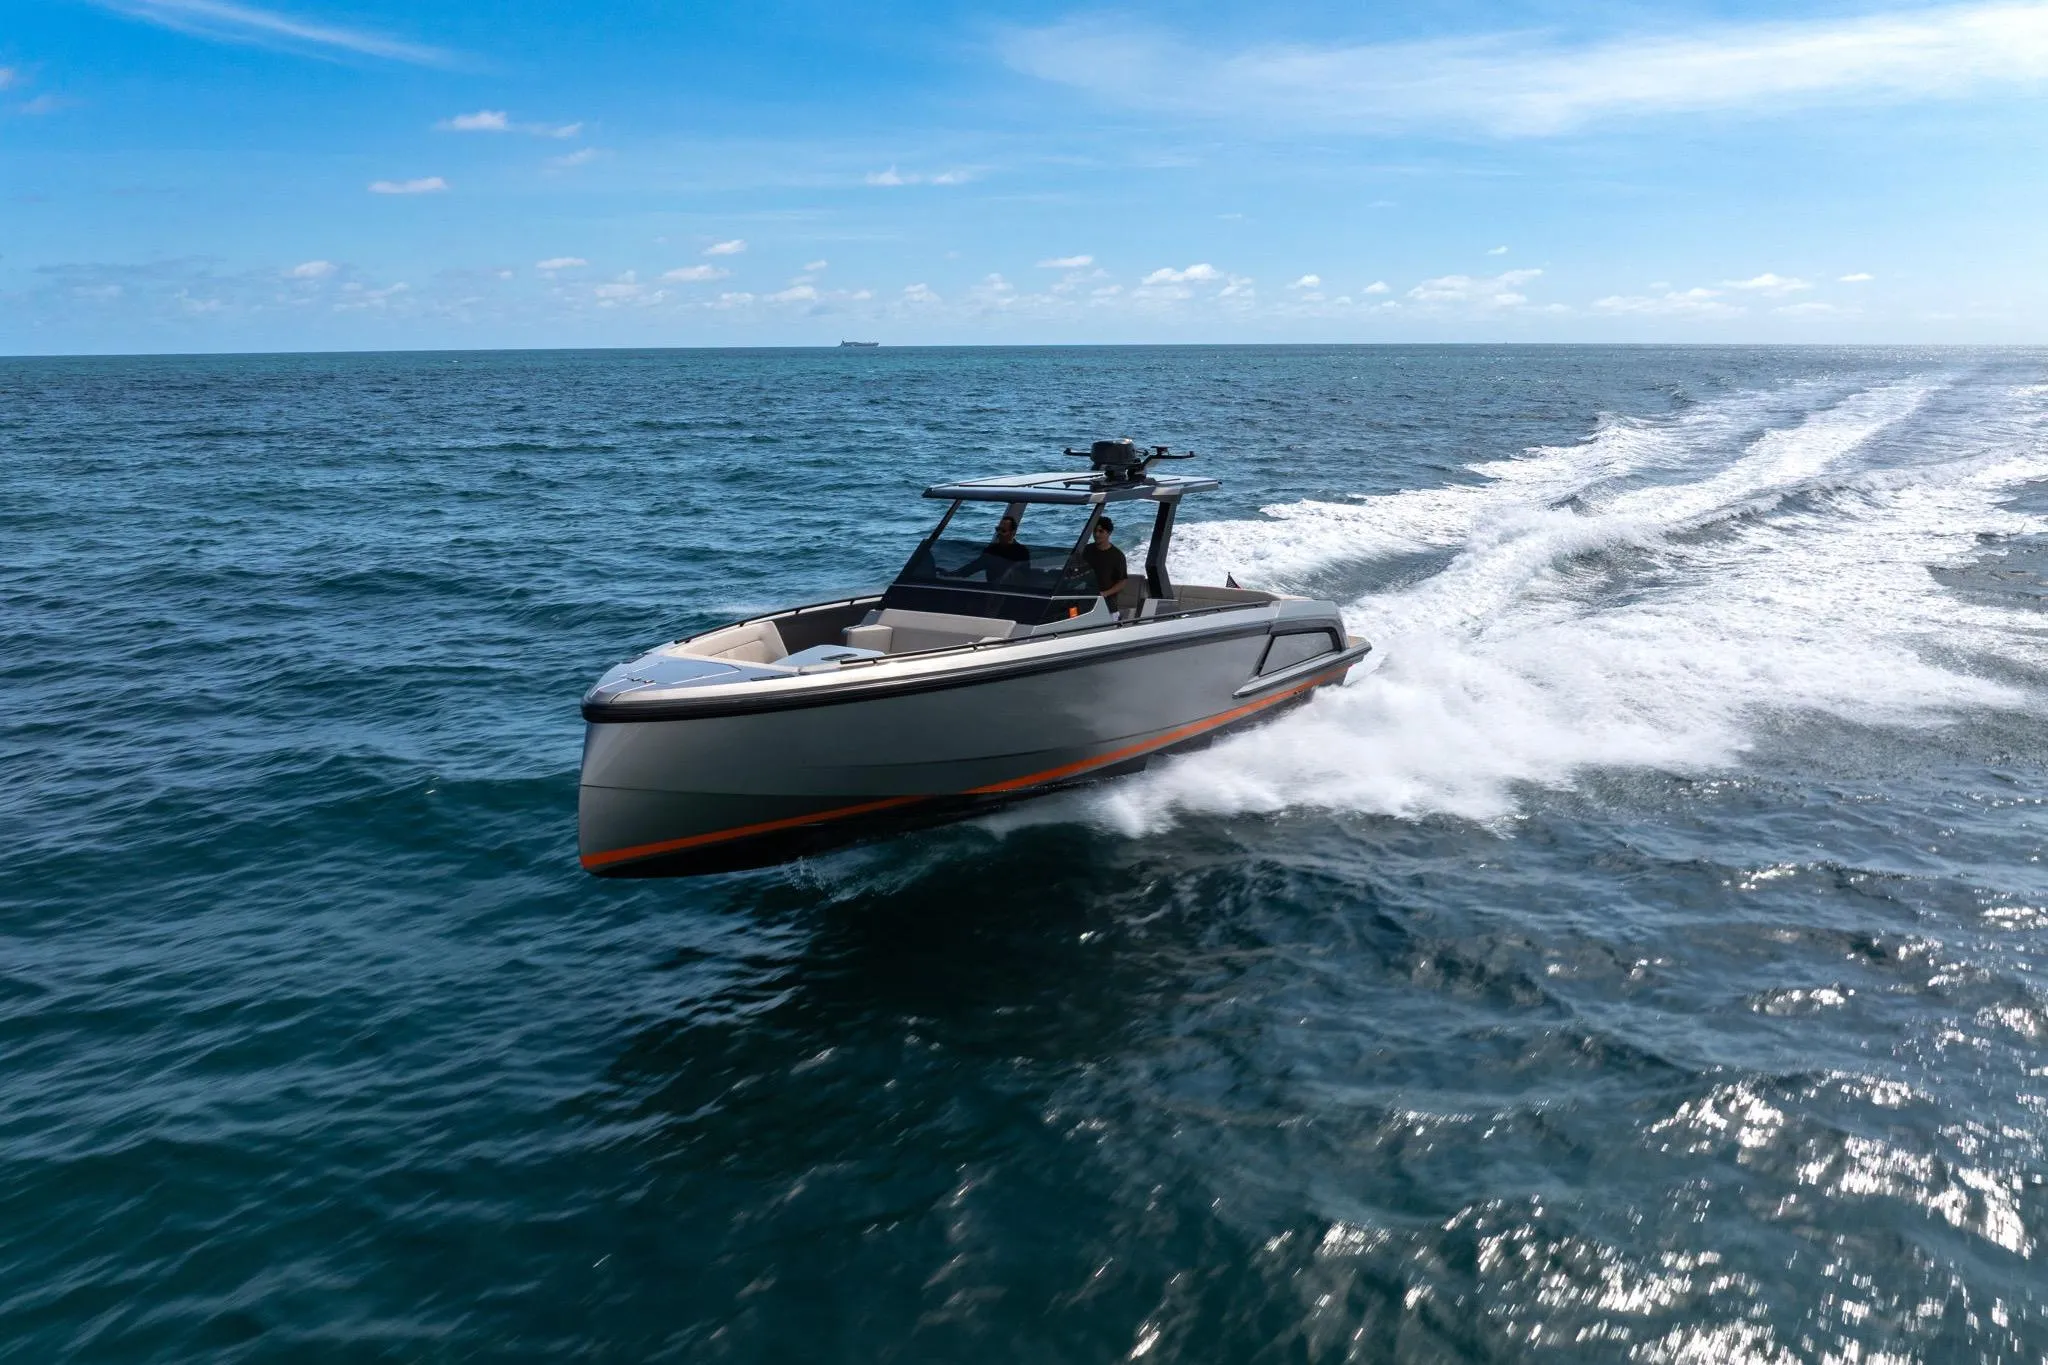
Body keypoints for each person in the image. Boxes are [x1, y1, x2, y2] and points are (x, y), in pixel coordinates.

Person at [1080, 516, 1128, 607]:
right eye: (1095, 531)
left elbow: (1122, 582)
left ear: (1109, 533)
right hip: (1086, 597)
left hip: (1108, 602)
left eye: (1101, 531)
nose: (1096, 534)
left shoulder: (1117, 556)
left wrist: (1104, 593)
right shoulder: (1086, 550)